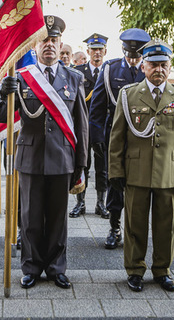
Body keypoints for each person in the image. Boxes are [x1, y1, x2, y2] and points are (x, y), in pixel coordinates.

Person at [0, 15, 88, 290]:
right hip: (31, 157)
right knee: (30, 218)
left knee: (58, 219)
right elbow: (0, 117)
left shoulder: (74, 78)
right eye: (44, 40)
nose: (49, 45)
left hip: (62, 158)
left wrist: (80, 165)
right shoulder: (21, 78)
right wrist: (3, 94)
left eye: (54, 40)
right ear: (34, 47)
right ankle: (31, 267)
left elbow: (80, 125)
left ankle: (57, 268)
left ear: (60, 45)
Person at [108, 39, 174, 293]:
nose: (159, 69)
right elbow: (117, 137)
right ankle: (135, 270)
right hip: (135, 171)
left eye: (164, 65)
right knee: (134, 225)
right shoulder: (128, 95)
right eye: (154, 64)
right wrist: (115, 170)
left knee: (165, 226)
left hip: (169, 173)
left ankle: (162, 270)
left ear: (170, 67)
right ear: (144, 66)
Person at [89, 28, 150, 249]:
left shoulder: (149, 69)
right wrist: (96, 138)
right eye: (130, 55)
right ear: (123, 50)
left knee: (139, 186)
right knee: (115, 183)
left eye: (137, 56)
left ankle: (134, 230)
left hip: (143, 137)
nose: (133, 60)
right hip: (115, 136)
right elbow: (97, 106)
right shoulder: (110, 69)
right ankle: (114, 228)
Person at [71, 33, 108, 219]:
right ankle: (80, 203)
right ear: (88, 51)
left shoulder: (109, 72)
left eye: (100, 50)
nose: (97, 53)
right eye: (93, 50)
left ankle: (101, 203)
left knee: (103, 167)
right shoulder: (78, 72)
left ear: (105, 51)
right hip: (83, 126)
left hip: (102, 128)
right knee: (82, 164)